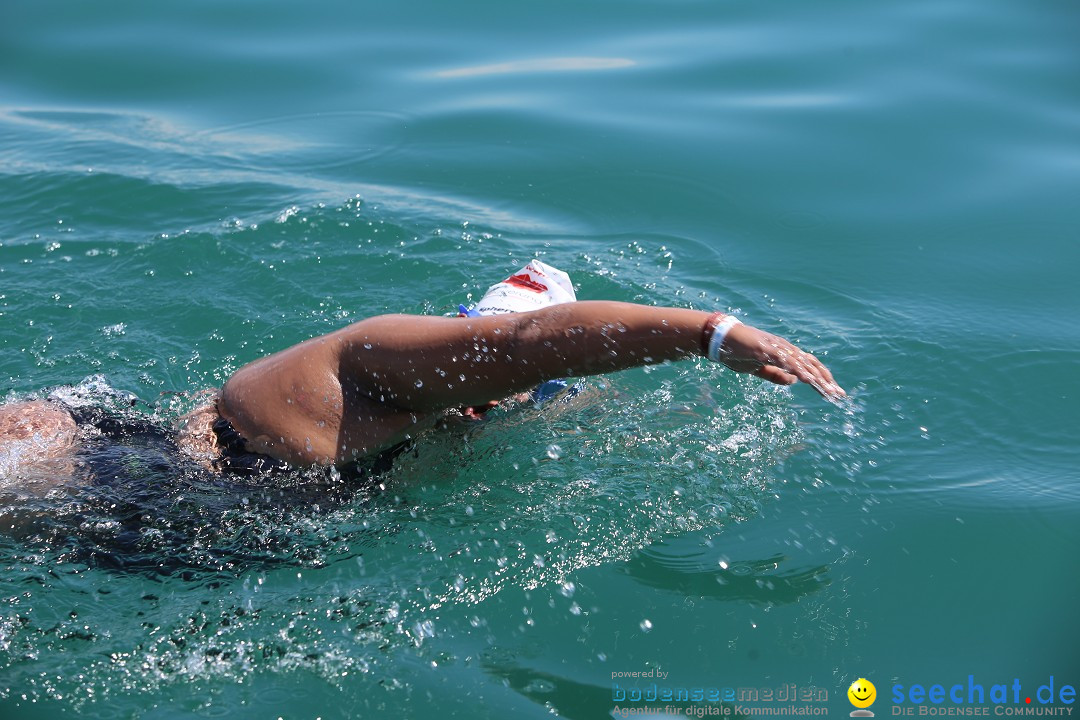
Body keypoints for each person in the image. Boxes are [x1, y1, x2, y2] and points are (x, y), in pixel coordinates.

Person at [0, 260, 843, 480]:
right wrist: (710, 331)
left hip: (177, 512)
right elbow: (528, 350)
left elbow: (558, 395)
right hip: (119, 475)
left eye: (536, 396)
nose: (510, 398)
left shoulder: (490, 418)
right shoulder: (380, 363)